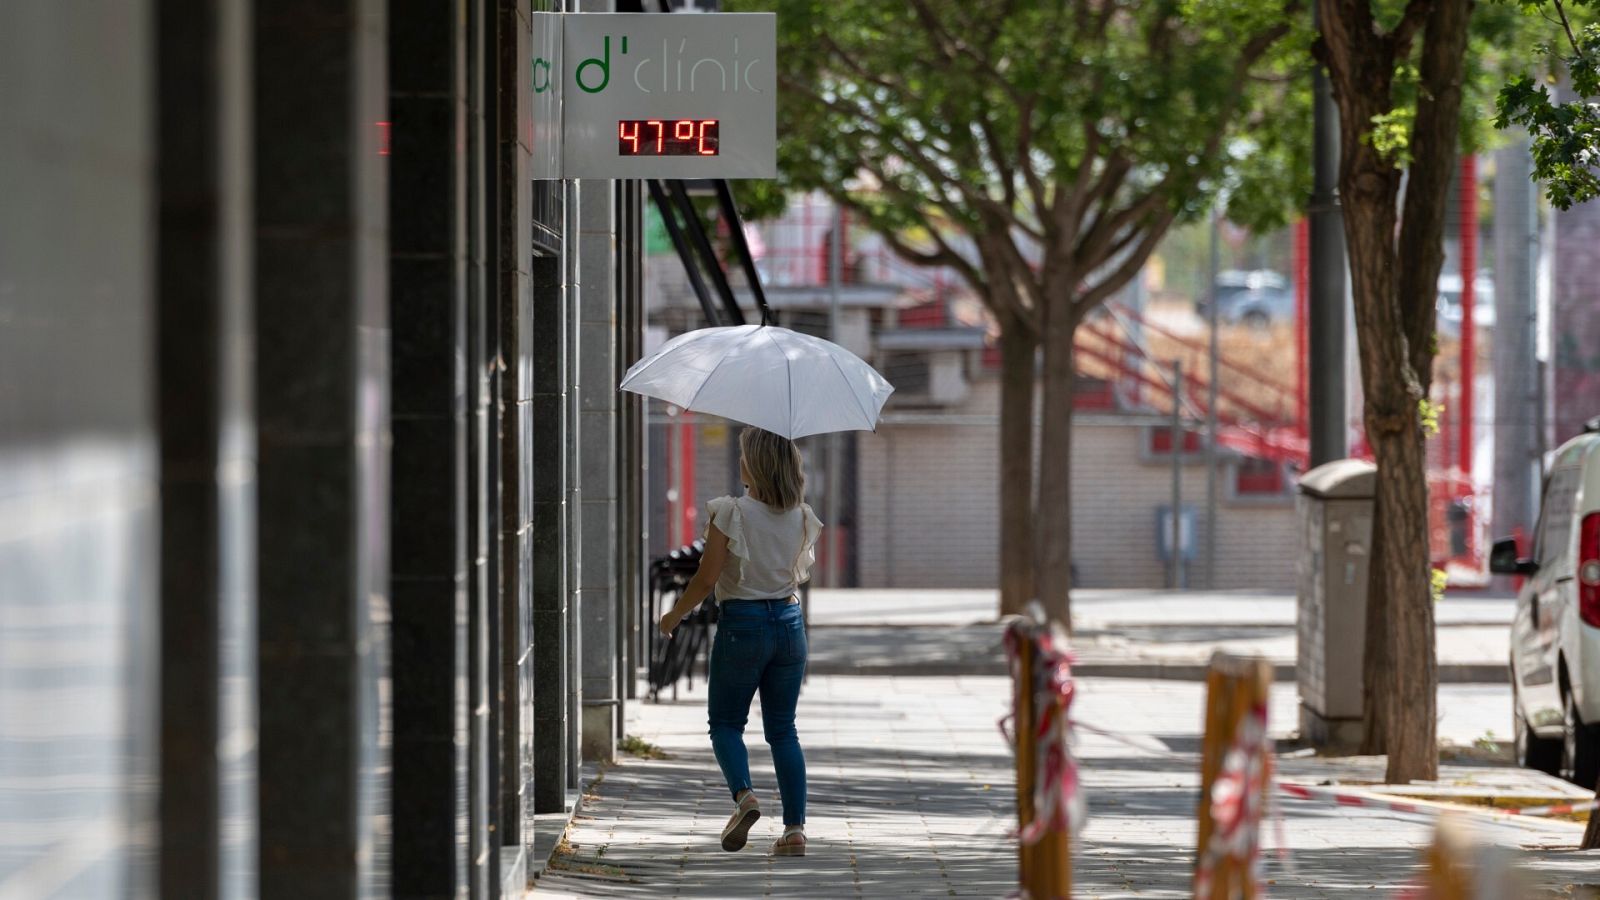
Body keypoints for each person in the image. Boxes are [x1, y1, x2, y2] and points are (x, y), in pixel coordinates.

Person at [657, 426, 822, 857]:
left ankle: (744, 796)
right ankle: (795, 831)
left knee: (726, 724)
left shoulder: (730, 512)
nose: (740, 461)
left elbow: (706, 578)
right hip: (789, 624)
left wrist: (675, 615)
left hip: (742, 626)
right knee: (783, 730)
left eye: (745, 454)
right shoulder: (802, 515)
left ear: (757, 464)